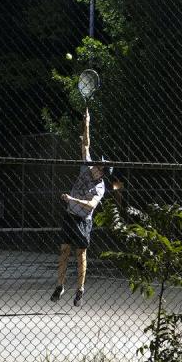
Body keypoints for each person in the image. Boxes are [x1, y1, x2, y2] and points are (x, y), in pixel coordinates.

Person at [51, 108, 109, 307]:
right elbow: (85, 144)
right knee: (64, 251)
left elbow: (92, 204)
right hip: (70, 215)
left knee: (81, 254)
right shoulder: (87, 165)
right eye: (96, 163)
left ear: (101, 173)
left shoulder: (100, 187)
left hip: (83, 220)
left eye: (98, 166)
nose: (95, 165)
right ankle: (60, 285)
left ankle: (80, 289)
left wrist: (72, 200)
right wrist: (86, 123)